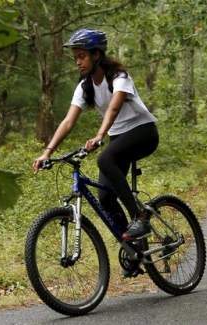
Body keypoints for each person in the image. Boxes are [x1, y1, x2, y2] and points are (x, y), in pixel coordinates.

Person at [32, 29, 158, 244]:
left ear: (96, 55)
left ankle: (140, 216)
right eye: (75, 58)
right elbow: (68, 121)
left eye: (82, 56)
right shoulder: (84, 86)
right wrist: (47, 152)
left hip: (143, 132)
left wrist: (100, 135)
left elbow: (114, 108)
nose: (78, 63)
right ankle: (133, 248)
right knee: (106, 198)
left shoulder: (119, 77)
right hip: (118, 139)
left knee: (104, 159)